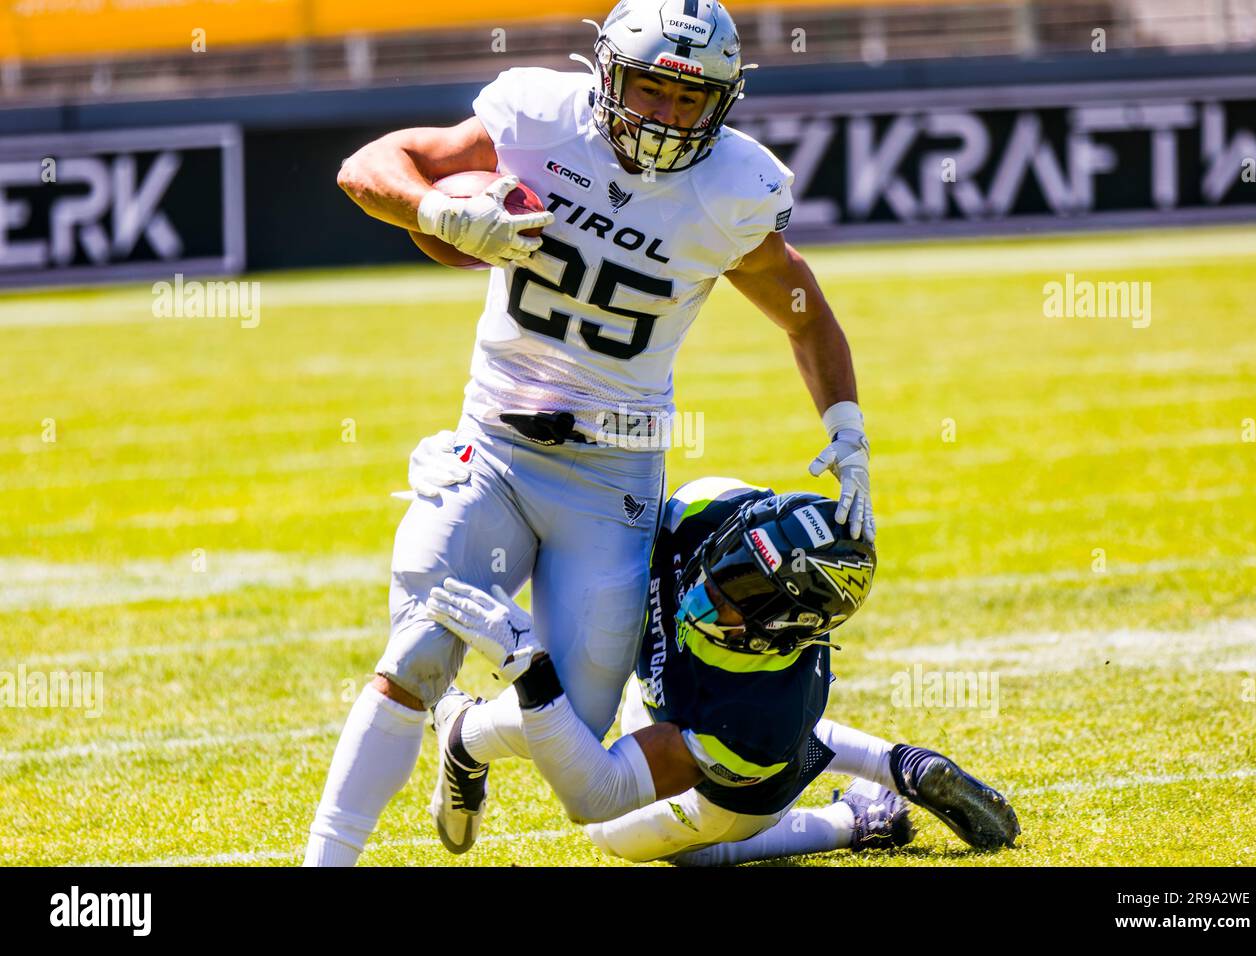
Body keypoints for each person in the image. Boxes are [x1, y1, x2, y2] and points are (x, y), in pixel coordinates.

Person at [304, 0, 874, 866]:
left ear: (722, 101)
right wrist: (441, 214)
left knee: (573, 727)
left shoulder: (732, 189)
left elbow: (804, 313)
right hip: (493, 444)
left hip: (611, 477)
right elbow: (369, 167)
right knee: (417, 649)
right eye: (651, 89)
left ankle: (465, 736)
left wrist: (848, 430)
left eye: (691, 100)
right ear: (608, 74)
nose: (667, 118)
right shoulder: (538, 118)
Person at [428, 478, 1020, 864]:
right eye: (727, 564)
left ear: (788, 629)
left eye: (739, 597)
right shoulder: (704, 510)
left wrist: (530, 667)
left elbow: (595, 794)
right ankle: (897, 766)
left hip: (743, 772)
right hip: (715, 713)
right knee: (585, 696)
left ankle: (854, 820)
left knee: (620, 838)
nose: (706, 596)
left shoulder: (755, 719)